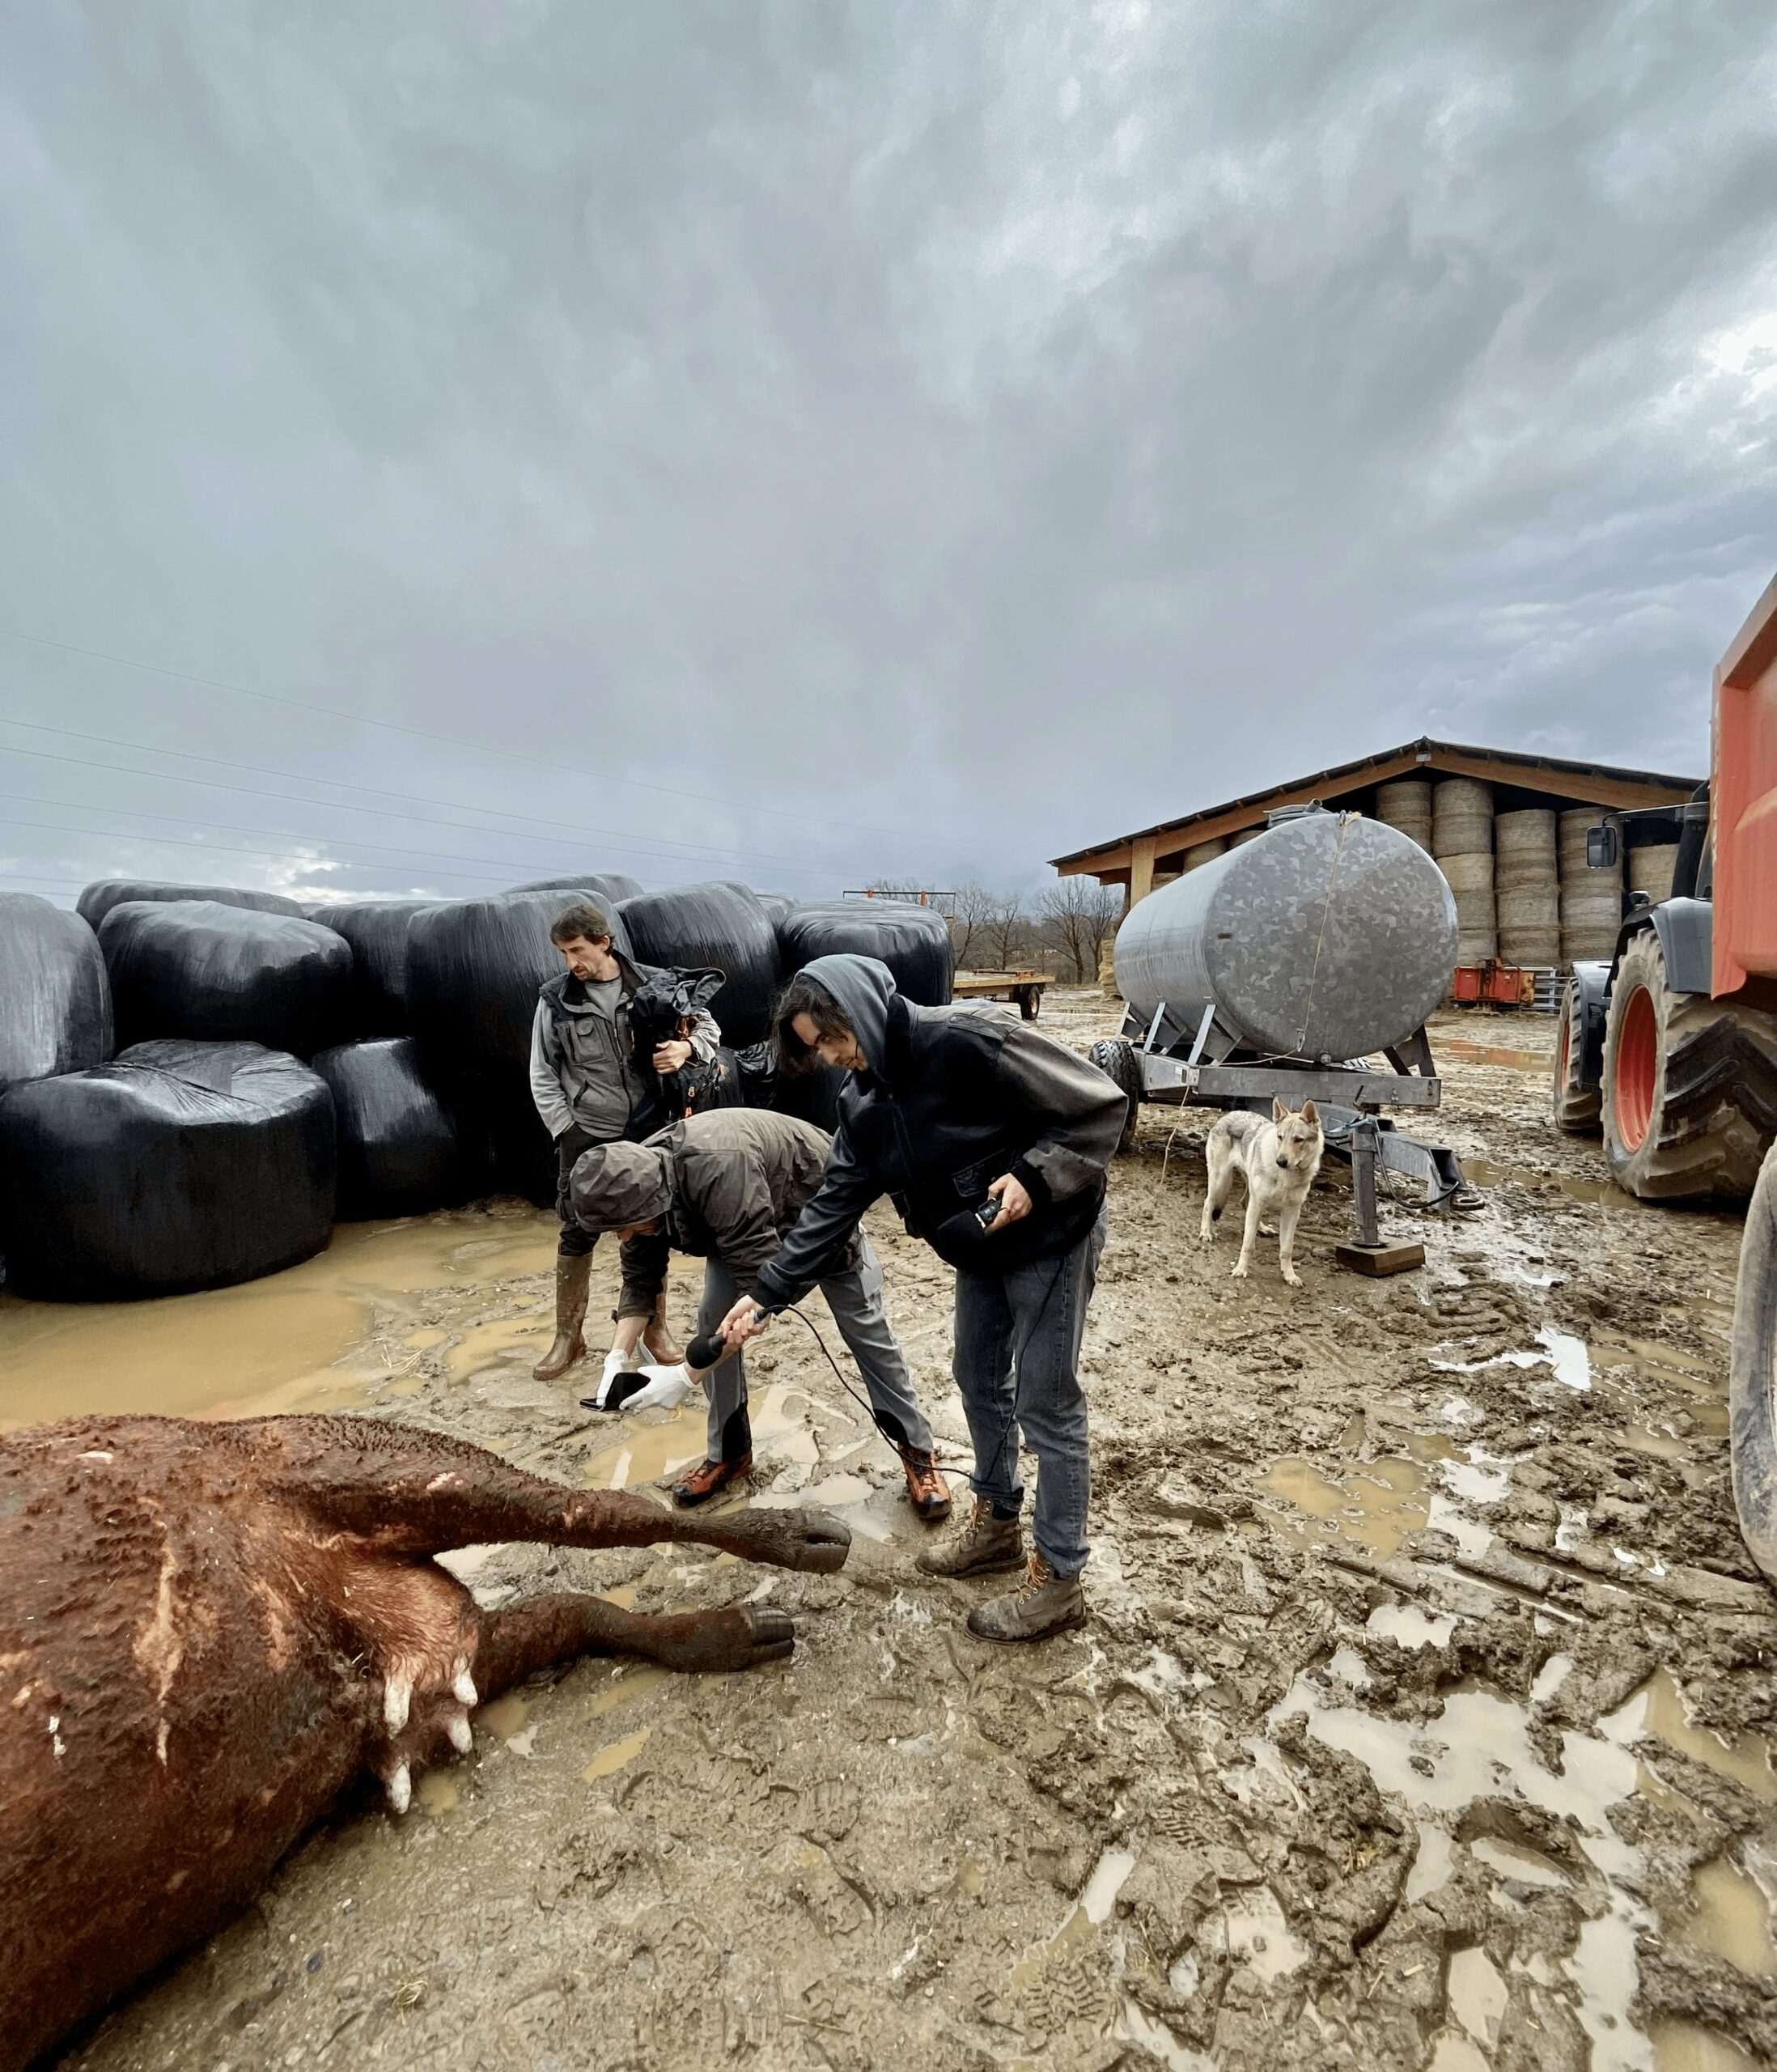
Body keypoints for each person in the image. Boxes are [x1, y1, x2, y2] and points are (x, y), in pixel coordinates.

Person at [719, 954, 1125, 1643]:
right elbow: (833, 1206)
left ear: (862, 1012)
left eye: (833, 1038)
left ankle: (1059, 1580)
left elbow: (1098, 1104)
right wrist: (766, 1295)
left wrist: (1034, 1176)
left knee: (1046, 1402)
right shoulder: (861, 1105)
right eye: (818, 1048)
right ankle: (997, 1525)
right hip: (981, 1245)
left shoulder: (971, 1038)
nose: (830, 1057)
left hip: (1053, 1231)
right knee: (976, 1378)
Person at [568, 1107, 952, 1522]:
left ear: (652, 1200)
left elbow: (758, 1303)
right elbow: (640, 1279)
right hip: (739, 1225)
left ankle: (918, 1451)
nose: (623, 1236)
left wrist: (684, 1377)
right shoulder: (632, 1183)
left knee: (865, 1329)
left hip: (816, 1209)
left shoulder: (716, 1171)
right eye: (616, 1229)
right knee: (711, 1320)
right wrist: (616, 1357)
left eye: (625, 1226)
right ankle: (729, 1454)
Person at [527, 901, 719, 1382]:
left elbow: (711, 1028)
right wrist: (565, 1128)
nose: (571, 961)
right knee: (576, 1228)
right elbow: (542, 1071)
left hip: (648, 1128)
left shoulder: (657, 986)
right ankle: (568, 1337)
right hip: (586, 1130)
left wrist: (686, 1048)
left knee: (649, 1228)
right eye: (563, 953)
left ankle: (655, 1330)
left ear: (604, 942)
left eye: (577, 949)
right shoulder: (555, 1000)